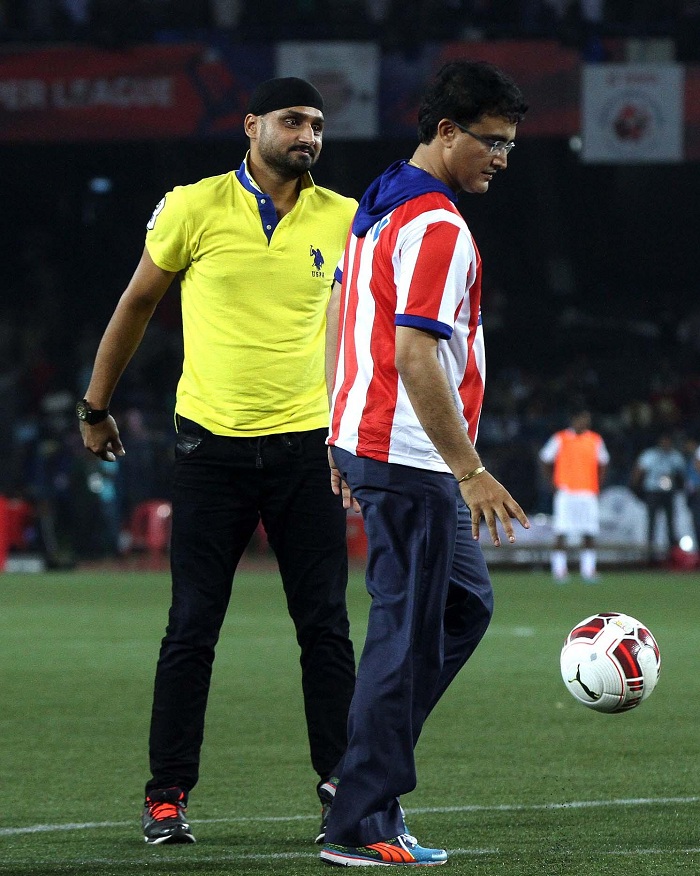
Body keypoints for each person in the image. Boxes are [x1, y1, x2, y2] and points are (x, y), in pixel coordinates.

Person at [78, 77, 358, 845]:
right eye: (293, 121)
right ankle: (166, 795)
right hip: (211, 451)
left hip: (308, 450)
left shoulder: (344, 219)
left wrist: (357, 436)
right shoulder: (191, 205)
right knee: (192, 627)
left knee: (326, 628)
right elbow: (136, 303)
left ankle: (345, 788)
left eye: (317, 126)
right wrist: (94, 407)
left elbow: (364, 335)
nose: (308, 136)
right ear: (251, 126)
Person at [320, 60, 529, 867]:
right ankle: (361, 820)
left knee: (462, 607)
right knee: (405, 635)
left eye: (510, 146)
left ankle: (359, 775)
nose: (502, 160)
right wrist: (470, 469)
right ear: (446, 132)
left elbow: (343, 304)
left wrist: (336, 428)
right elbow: (413, 356)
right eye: (493, 143)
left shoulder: (383, 194)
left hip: (379, 444)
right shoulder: (438, 223)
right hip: (411, 458)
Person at [538, 408, 609, 583]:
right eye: (582, 419)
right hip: (566, 492)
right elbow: (545, 459)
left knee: (589, 532)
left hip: (588, 491)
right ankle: (559, 570)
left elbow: (603, 463)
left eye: (587, 420)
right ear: (573, 420)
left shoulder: (595, 439)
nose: (585, 423)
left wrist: (598, 484)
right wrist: (552, 483)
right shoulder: (560, 438)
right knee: (562, 531)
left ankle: (588, 570)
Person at [631, 432, 686, 563]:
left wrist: (679, 485)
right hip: (653, 492)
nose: (666, 444)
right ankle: (650, 557)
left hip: (668, 492)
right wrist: (636, 490)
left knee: (671, 524)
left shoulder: (675, 456)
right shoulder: (650, 455)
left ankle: (673, 556)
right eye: (664, 441)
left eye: (668, 442)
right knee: (651, 524)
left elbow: (681, 475)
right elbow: (638, 472)